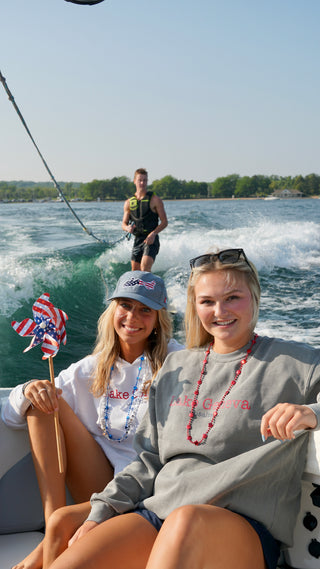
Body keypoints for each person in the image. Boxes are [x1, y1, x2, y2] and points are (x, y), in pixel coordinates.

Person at [35, 249, 320, 569]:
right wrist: (102, 511)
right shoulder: (176, 366)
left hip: (242, 526)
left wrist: (312, 412)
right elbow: (148, 461)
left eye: (233, 298)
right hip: (158, 513)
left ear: (254, 297)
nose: (220, 311)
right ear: (195, 306)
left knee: (185, 520)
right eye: (207, 301)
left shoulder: (297, 363)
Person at [2, 270, 183, 569]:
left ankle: (57, 540)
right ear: (113, 310)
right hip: (99, 484)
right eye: (125, 305)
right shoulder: (90, 368)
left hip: (149, 493)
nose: (132, 317)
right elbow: (11, 417)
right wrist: (27, 389)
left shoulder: (180, 363)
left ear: (158, 319)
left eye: (145, 310)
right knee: (44, 399)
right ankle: (52, 535)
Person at [122, 168, 168, 271]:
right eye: (140, 180)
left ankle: (150, 286)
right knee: (135, 270)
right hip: (138, 240)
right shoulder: (129, 202)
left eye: (145, 180)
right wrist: (128, 228)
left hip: (151, 239)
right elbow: (123, 224)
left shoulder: (155, 200)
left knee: (145, 267)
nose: (142, 183)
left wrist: (153, 234)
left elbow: (164, 222)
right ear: (134, 181)